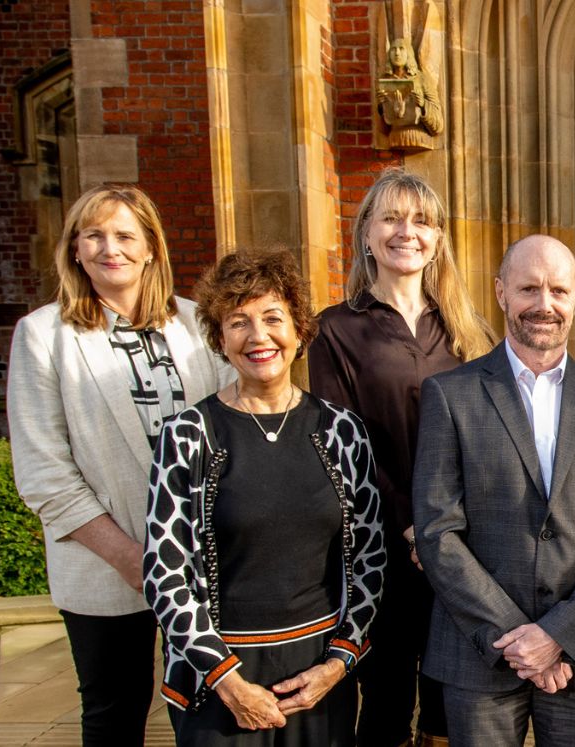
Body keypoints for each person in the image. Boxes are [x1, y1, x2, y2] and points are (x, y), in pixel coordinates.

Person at [7, 184, 231, 746]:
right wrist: (132, 558)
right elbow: (44, 474)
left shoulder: (199, 323)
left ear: (152, 247)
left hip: (208, 561)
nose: (112, 248)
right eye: (95, 235)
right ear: (75, 250)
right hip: (106, 564)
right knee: (115, 712)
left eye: (126, 235)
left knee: (210, 705)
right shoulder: (43, 335)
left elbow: (237, 431)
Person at [144, 250, 386, 746]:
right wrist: (228, 681)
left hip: (320, 672)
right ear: (219, 338)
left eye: (273, 318)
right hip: (219, 679)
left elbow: (371, 562)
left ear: (299, 331)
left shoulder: (342, 432)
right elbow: (164, 575)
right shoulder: (188, 435)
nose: (258, 336)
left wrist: (339, 662)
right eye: (238, 322)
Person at [412, 234, 575, 746]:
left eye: (559, 291)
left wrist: (557, 635)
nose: (545, 304)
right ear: (500, 293)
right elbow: (436, 532)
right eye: (529, 289)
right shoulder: (450, 396)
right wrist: (521, 641)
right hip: (479, 657)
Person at [309, 167, 493, 747]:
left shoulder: (469, 330)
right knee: (386, 695)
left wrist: (447, 524)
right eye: (390, 217)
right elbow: (344, 442)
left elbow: (487, 440)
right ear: (366, 233)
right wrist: (413, 526)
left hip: (462, 544)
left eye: (421, 221)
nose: (405, 231)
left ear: (438, 239)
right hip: (381, 545)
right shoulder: (336, 330)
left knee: (450, 697)